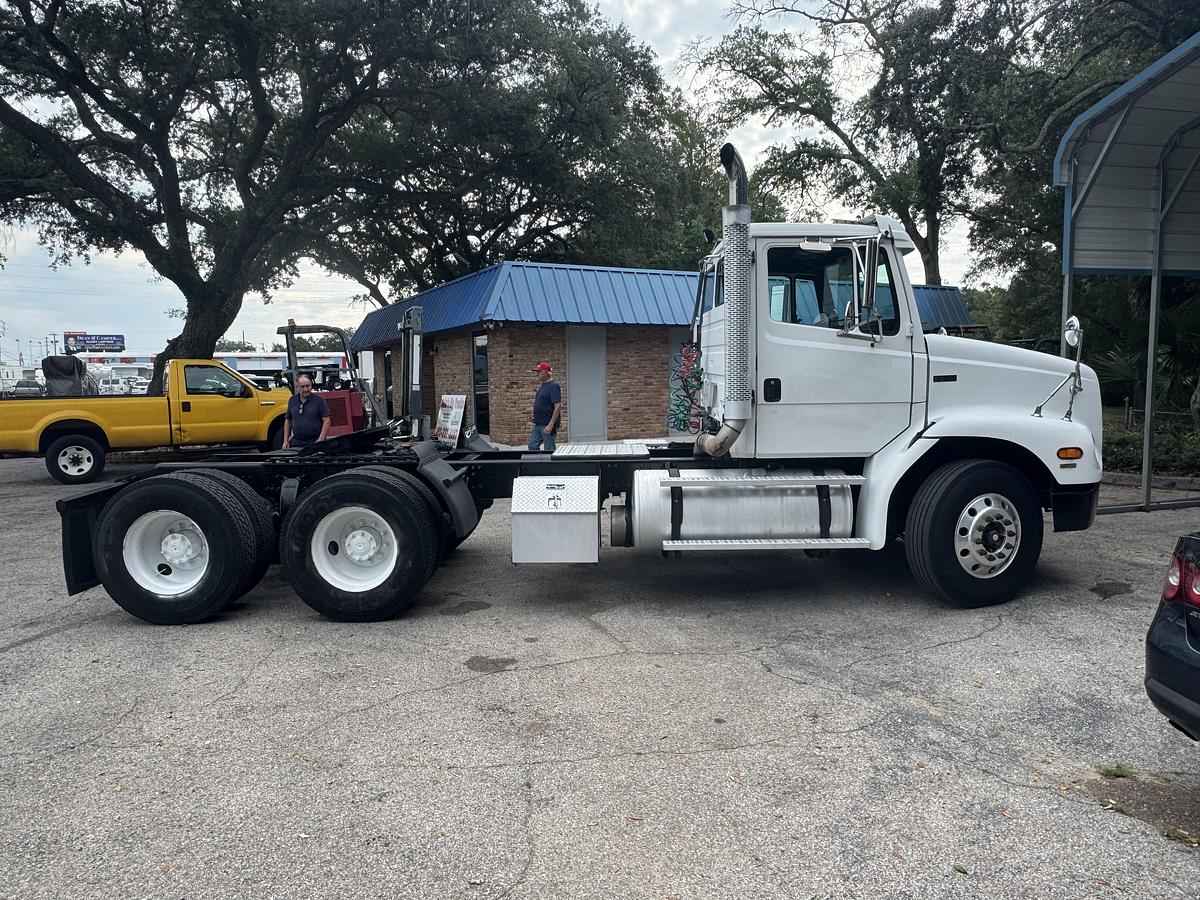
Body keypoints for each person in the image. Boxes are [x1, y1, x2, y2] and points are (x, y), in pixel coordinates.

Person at [283, 374, 331, 448]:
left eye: (307, 386)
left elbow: (326, 421)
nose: (305, 389)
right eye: (302, 387)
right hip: (296, 442)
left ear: (311, 385)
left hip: (314, 442)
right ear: (297, 387)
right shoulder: (292, 400)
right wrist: (285, 441)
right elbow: (288, 421)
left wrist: (320, 439)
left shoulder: (319, 400)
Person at [529, 361, 562, 451]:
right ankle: (537, 465)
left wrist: (551, 424)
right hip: (538, 423)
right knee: (532, 446)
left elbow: (558, 406)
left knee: (549, 449)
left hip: (547, 424)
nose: (537, 374)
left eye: (539, 372)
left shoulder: (554, 386)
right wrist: (536, 417)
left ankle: (551, 465)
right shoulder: (544, 385)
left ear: (546, 372)